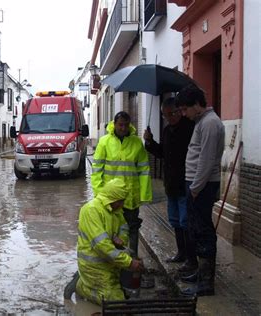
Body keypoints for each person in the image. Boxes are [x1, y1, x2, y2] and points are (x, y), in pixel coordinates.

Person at [175, 84, 225, 296]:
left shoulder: (211, 124)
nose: (184, 114)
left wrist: (195, 187)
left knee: (203, 230)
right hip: (196, 184)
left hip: (201, 186)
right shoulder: (202, 122)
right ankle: (199, 274)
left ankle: (206, 283)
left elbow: (206, 159)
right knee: (195, 228)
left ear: (197, 104)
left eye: (185, 109)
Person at [64, 178, 145, 303]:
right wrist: (129, 262)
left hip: (110, 262)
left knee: (124, 289)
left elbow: (124, 228)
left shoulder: (116, 210)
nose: (122, 204)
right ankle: (81, 286)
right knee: (114, 303)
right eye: (120, 201)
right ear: (112, 198)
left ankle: (90, 283)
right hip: (95, 266)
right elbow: (101, 245)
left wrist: (121, 240)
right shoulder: (91, 210)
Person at [91, 111, 152, 256]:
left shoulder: (136, 142)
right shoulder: (104, 142)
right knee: (113, 230)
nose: (123, 128)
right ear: (114, 124)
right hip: (111, 198)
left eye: (126, 125)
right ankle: (116, 260)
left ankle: (133, 259)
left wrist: (144, 195)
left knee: (132, 228)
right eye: (120, 125)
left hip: (131, 197)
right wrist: (99, 194)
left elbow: (144, 170)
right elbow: (97, 170)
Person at [144, 98, 195, 267]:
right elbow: (163, 153)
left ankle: (190, 258)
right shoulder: (167, 131)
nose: (169, 118)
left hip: (185, 183)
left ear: (179, 111)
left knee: (185, 221)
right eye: (165, 115)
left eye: (171, 114)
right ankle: (181, 253)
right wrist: (150, 142)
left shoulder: (189, 128)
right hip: (170, 183)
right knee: (174, 220)